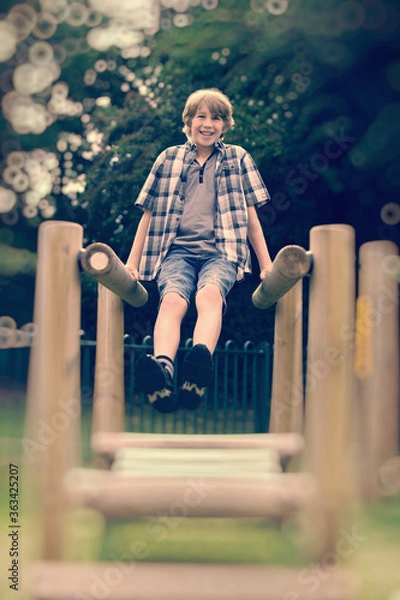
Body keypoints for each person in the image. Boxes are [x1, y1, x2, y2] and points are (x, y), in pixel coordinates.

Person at [126, 88, 272, 413]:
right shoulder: (168, 158)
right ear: (189, 122)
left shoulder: (237, 158)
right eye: (201, 116)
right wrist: (131, 263)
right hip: (174, 251)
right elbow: (147, 214)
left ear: (225, 125)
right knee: (173, 300)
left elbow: (251, 218)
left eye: (216, 118)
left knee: (208, 296)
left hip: (222, 251)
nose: (208, 123)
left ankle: (198, 366)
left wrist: (267, 264)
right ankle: (164, 369)